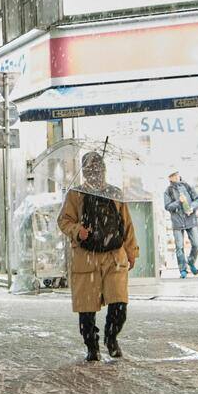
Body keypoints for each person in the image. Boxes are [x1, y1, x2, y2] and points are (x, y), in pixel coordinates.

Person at [59, 152, 139, 363]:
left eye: (98, 169)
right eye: (90, 169)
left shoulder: (115, 193)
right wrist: (77, 230)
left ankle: (111, 338)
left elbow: (126, 225)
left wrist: (132, 252)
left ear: (104, 170)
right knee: (86, 309)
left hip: (114, 257)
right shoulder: (75, 195)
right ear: (84, 171)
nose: (95, 173)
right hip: (86, 258)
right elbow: (63, 220)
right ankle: (92, 346)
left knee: (119, 304)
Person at [162, 171, 198, 279]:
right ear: (169, 178)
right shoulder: (168, 191)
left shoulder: (187, 186)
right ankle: (183, 269)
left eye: (176, 174)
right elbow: (167, 206)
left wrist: (192, 207)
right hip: (177, 222)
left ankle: (191, 261)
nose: (175, 177)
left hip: (190, 219)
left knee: (197, 244)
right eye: (172, 175)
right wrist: (179, 202)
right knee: (179, 247)